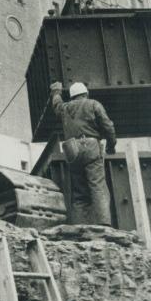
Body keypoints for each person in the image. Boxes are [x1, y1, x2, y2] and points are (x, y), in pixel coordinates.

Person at [48, 81, 116, 225]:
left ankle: (80, 225)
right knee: (97, 186)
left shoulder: (65, 108)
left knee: (79, 192)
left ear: (72, 96)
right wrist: (111, 145)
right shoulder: (93, 104)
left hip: (71, 149)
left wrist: (56, 91)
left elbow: (57, 105)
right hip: (90, 146)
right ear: (86, 93)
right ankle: (104, 223)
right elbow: (108, 126)